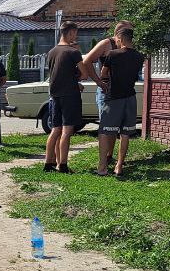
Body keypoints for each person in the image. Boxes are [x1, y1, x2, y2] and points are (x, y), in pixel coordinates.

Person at [80, 20, 134, 166]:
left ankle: (110, 156)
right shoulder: (106, 44)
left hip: (124, 92)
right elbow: (87, 61)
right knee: (107, 127)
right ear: (118, 33)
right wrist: (98, 81)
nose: (131, 35)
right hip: (107, 90)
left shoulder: (129, 45)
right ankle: (105, 160)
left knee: (119, 128)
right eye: (128, 31)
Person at [95, 28, 144, 176]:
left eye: (116, 39)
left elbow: (104, 73)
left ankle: (102, 166)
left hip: (113, 98)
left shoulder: (112, 54)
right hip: (130, 97)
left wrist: (105, 83)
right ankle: (119, 165)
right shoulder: (139, 56)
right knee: (125, 133)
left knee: (104, 131)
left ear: (121, 39)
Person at [44, 22, 84, 172]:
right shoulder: (73, 52)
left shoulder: (52, 52)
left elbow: (57, 74)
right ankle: (63, 164)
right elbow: (84, 73)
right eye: (75, 33)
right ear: (71, 33)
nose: (76, 36)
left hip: (54, 94)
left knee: (55, 129)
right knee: (67, 131)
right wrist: (77, 79)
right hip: (70, 95)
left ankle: (48, 163)